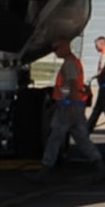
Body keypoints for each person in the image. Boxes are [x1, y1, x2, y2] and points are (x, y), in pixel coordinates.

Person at [36, 37, 101, 181]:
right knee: (82, 139)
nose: (55, 52)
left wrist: (69, 105)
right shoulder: (71, 62)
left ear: (65, 47)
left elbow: (71, 85)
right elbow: (67, 87)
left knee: (55, 137)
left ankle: (44, 170)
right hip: (73, 105)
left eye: (56, 49)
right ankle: (100, 166)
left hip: (68, 107)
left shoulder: (69, 64)